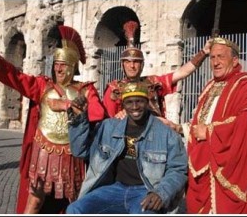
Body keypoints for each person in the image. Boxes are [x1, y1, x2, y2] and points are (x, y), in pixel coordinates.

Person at [0, 25, 105, 214]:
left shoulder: (86, 90)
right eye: (56, 64)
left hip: (72, 155)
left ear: (73, 67)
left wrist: (68, 105)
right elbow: (16, 77)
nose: (58, 68)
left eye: (64, 64)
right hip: (43, 151)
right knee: (34, 202)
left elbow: (98, 114)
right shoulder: (43, 86)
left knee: (74, 202)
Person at [173, 37, 247, 214]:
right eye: (212, 58)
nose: (216, 62)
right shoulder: (209, 86)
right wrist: (179, 128)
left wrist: (211, 132)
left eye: (221, 57)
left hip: (230, 169)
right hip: (201, 166)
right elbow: (200, 122)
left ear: (234, 61)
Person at [66, 81, 188, 214]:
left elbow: (178, 169)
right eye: (129, 102)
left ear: (147, 102)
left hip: (145, 192)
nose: (135, 107)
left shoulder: (166, 134)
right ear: (123, 105)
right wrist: (79, 119)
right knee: (75, 209)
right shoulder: (108, 127)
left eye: (139, 101)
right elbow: (80, 151)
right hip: (114, 189)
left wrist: (161, 193)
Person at [103, 20, 211, 119]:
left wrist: (203, 53)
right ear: (122, 65)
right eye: (128, 62)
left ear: (142, 65)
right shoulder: (114, 88)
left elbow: (182, 72)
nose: (132, 66)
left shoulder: (153, 82)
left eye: (136, 62)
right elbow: (108, 120)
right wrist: (118, 117)